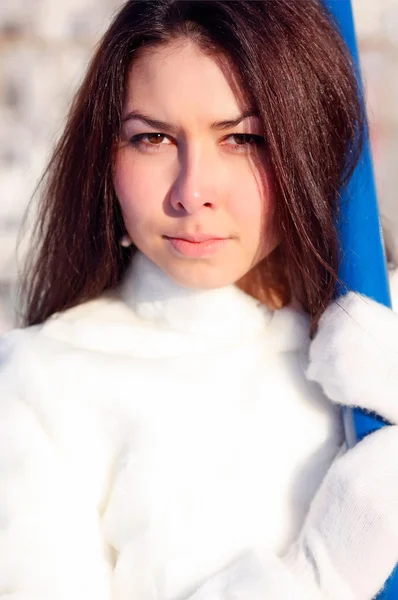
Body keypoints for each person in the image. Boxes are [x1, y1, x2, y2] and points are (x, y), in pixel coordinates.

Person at [1, 1, 398, 599]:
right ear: (105, 157)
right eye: (152, 138)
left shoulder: (376, 342)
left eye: (241, 139)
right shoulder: (41, 387)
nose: (192, 192)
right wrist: (321, 579)